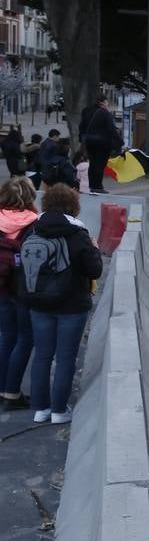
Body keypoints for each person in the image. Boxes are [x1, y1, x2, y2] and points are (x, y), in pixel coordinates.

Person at [18, 184, 104, 425]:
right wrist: (95, 250)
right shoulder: (78, 234)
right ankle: (58, 411)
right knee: (65, 357)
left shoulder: (31, 230)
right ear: (74, 206)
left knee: (42, 355)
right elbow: (94, 271)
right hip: (72, 305)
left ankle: (41, 409)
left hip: (38, 303)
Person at [0, 177, 39, 413]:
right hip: (24, 289)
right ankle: (12, 393)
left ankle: (3, 388)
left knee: (7, 337)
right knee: (26, 339)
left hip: (2, 287)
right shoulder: (34, 223)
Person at [77, 97, 121, 193]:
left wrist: (82, 139)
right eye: (106, 102)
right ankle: (98, 187)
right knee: (100, 164)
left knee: (92, 163)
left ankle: (92, 186)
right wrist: (119, 142)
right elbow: (111, 129)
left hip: (89, 142)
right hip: (102, 143)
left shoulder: (86, 111)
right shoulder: (105, 113)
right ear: (102, 102)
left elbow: (81, 127)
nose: (107, 104)